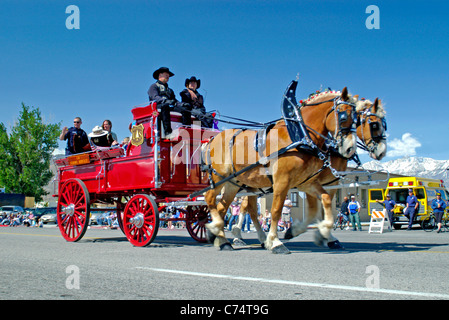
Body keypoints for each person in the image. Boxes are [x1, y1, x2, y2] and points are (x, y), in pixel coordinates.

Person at [147, 67, 188, 139]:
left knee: (185, 110)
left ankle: (185, 131)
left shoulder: (170, 90)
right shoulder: (154, 86)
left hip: (169, 107)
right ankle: (168, 133)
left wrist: (182, 104)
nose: (168, 77)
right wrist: (165, 101)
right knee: (165, 106)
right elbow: (155, 97)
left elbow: (174, 100)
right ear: (160, 75)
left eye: (168, 76)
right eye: (166, 75)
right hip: (158, 107)